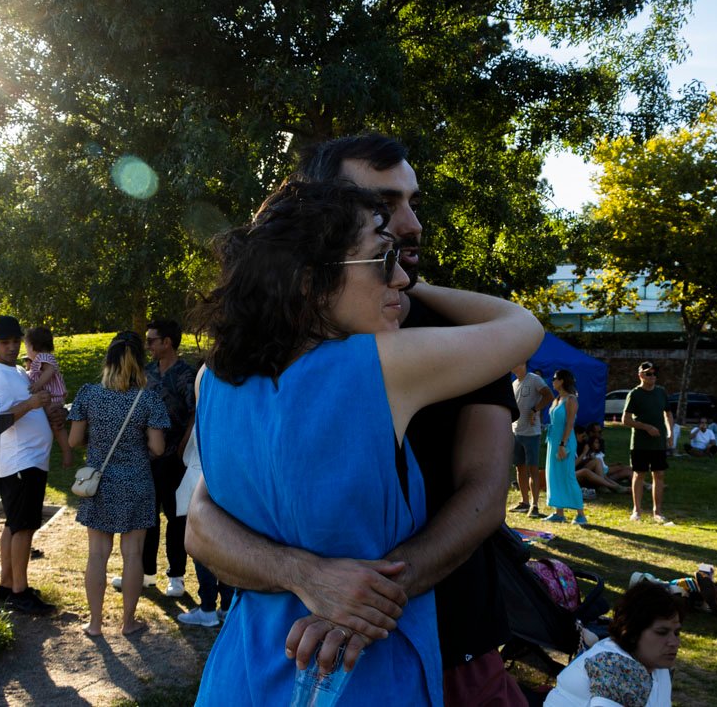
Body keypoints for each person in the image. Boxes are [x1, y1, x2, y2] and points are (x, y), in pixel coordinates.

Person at [185, 133, 527, 705]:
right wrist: (318, 581)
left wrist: (356, 596)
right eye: (383, 208)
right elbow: (203, 520)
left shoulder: (220, 373)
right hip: (370, 661)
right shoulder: (394, 355)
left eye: (411, 202)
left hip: (290, 656)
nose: (409, 224)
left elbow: (485, 495)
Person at [69, 332, 171, 636]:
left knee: (97, 554)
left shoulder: (89, 394)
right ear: (139, 362)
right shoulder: (148, 398)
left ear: (108, 360)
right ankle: (128, 622)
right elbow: (158, 448)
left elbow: (73, 440)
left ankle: (94, 623)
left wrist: (96, 440)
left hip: (99, 483)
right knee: (133, 554)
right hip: (136, 482)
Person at [0, 315, 55, 615]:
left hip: (28, 460)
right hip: (20, 462)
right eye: (4, 343)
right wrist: (30, 405)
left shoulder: (16, 370)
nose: (12, 347)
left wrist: (47, 411)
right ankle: (20, 593)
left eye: (15, 341)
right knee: (23, 528)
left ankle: (7, 585)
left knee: (15, 524)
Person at [119, 318, 197, 597]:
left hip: (175, 458)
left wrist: (183, 446)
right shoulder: (146, 372)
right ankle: (145, 572)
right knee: (147, 516)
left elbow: (195, 414)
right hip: (147, 458)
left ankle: (176, 575)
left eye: (152, 340)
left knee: (176, 518)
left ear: (167, 342)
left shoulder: (187, 374)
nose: (148, 345)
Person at [543, 581, 679, 707]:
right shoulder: (616, 666)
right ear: (633, 633)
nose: (674, 642)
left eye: (676, 632)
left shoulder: (657, 666)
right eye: (662, 632)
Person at [175, 429, 236, 627]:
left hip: (204, 481)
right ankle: (226, 604)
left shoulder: (208, 414)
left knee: (203, 549)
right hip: (230, 484)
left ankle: (208, 607)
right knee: (228, 547)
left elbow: (189, 448)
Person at [622, 362, 674, 524]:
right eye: (648, 374)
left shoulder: (661, 392)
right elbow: (625, 420)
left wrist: (670, 433)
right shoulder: (634, 394)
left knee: (659, 474)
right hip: (640, 443)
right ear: (640, 375)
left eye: (654, 374)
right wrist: (646, 427)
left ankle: (657, 512)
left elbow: (668, 414)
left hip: (658, 443)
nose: (652, 376)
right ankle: (636, 510)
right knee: (639, 474)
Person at [24, 327, 72, 468]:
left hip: (52, 398)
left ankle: (67, 452)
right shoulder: (39, 360)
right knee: (53, 425)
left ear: (33, 346)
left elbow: (49, 371)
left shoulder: (43, 357)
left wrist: (38, 384)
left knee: (57, 425)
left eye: (26, 346)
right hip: (50, 398)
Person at [543, 369, 585, 525]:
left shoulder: (571, 399)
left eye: (555, 378)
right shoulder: (557, 399)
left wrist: (562, 444)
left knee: (568, 476)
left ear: (562, 381)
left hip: (564, 442)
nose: (552, 381)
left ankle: (580, 514)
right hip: (553, 442)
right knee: (553, 475)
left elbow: (569, 424)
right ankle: (558, 512)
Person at [513, 363, 554, 518]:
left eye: (515, 363)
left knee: (533, 469)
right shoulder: (514, 383)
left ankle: (534, 505)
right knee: (519, 468)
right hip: (516, 431)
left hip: (531, 432)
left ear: (523, 363)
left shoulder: (534, 379)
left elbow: (549, 396)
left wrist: (534, 409)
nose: (512, 366)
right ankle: (524, 502)